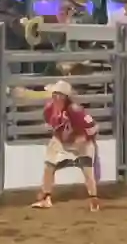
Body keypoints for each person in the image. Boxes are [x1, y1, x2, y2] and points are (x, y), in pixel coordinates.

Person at [31, 79, 100, 212]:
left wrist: (84, 138)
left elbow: (94, 127)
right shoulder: (49, 109)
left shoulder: (76, 110)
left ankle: (94, 199)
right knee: (49, 164)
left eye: (59, 95)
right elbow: (52, 125)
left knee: (88, 171)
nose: (56, 97)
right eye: (55, 94)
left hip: (81, 142)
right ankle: (46, 197)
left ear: (66, 97)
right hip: (61, 140)